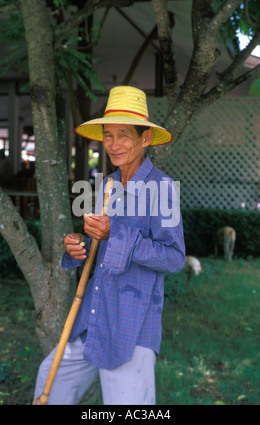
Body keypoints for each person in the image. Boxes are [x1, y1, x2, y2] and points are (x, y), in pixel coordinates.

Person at [33, 86, 185, 405]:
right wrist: (79, 246)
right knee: (51, 381)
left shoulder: (163, 188)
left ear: (145, 139)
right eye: (108, 135)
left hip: (132, 326)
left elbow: (174, 258)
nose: (114, 145)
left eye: (124, 135)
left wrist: (114, 234)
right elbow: (99, 246)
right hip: (93, 316)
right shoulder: (107, 185)